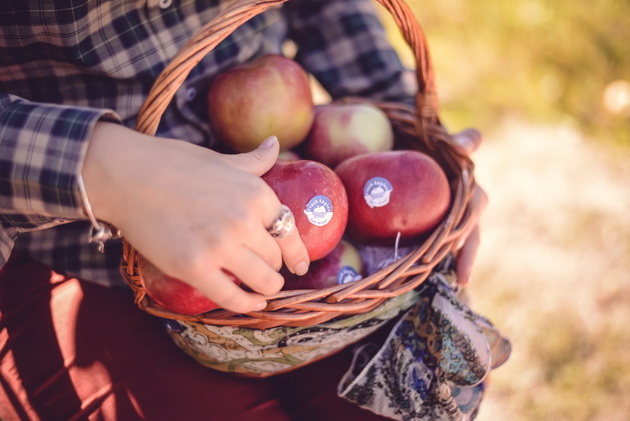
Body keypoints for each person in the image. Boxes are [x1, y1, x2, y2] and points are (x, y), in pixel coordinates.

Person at [0, 0, 486, 419]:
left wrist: (415, 149)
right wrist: (101, 167)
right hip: (59, 235)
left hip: (304, 188)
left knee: (420, 400)